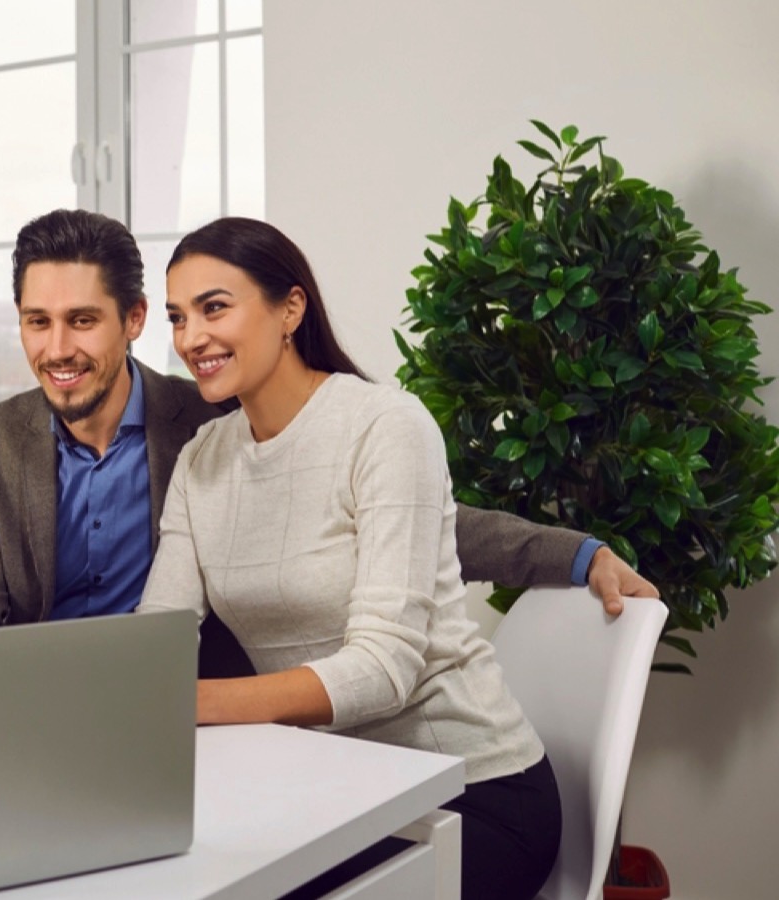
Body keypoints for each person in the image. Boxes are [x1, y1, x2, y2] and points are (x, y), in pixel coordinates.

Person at [0, 209, 657, 673]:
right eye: (36, 321)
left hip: (198, 720)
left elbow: (403, 517)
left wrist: (575, 552)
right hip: (42, 712)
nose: (57, 348)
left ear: (134, 319)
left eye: (82, 320)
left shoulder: (213, 419)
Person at [137, 216, 577, 899]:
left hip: (468, 792)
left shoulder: (385, 426)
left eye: (213, 307)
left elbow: (383, 670)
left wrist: (188, 702)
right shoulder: (202, 462)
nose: (191, 338)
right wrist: (115, 695)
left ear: (290, 308)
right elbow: (155, 637)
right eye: (177, 317)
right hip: (332, 789)